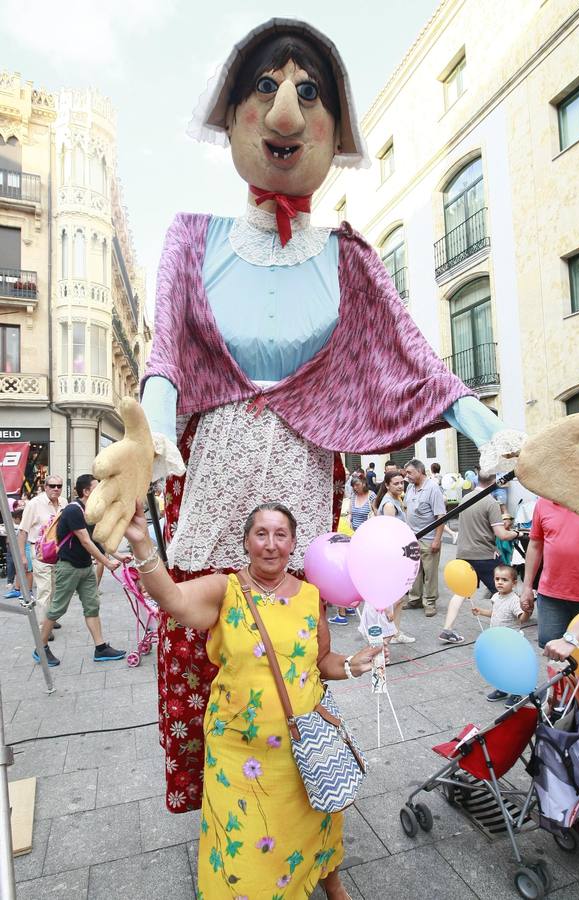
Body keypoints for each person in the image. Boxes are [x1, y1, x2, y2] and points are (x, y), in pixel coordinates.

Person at [89, 18, 526, 811]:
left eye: (308, 91)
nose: (286, 112)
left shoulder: (351, 255)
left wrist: (498, 437)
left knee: (290, 641)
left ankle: (297, 808)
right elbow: (166, 360)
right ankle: (218, 808)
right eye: (266, 87)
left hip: (300, 468)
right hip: (210, 464)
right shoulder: (193, 237)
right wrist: (145, 439)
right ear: (235, 111)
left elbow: (417, 361)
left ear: (333, 123)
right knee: (199, 639)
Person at [126, 500, 384, 899]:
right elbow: (172, 599)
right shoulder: (224, 589)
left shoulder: (311, 596)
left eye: (280, 534)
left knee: (315, 824)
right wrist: (142, 543)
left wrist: (352, 664)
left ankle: (329, 879)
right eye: (261, 534)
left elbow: (321, 661)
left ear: (293, 543)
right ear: (246, 541)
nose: (270, 544)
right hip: (237, 754)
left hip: (302, 748)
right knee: (244, 851)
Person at [32, 475, 128, 668]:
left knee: (92, 606)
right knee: (58, 607)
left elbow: (97, 538)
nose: (101, 492)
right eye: (97, 488)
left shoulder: (89, 512)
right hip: (68, 567)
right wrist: (106, 563)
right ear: (86, 491)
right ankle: (40, 648)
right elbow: (85, 540)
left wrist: (117, 556)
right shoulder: (73, 511)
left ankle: (100, 648)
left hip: (85, 567)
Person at [439, 471, 519, 644]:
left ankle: (447, 629)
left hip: (463, 553)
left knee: (461, 591)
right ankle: (504, 628)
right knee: (502, 591)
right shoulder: (490, 502)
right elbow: (501, 534)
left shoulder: (466, 498)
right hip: (484, 555)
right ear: (493, 482)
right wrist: (516, 533)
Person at [520, 499, 579, 647]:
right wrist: (526, 587)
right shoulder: (544, 502)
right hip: (551, 598)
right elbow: (535, 545)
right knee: (553, 652)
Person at [472, 564, 530, 707]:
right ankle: (503, 689)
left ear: (514, 583)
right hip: (497, 639)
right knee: (500, 666)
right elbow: (496, 613)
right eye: (497, 579)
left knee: (512, 667)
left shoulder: (514, 600)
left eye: (504, 580)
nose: (499, 582)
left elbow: (521, 618)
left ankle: (517, 692)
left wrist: (527, 611)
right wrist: (481, 611)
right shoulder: (495, 597)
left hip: (511, 641)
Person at [16, 475, 67, 622]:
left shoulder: (64, 502)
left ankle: (50, 620)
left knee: (55, 589)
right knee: (45, 590)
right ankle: (44, 627)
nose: (56, 489)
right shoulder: (34, 504)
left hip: (58, 552)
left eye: (59, 486)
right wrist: (22, 556)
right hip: (39, 552)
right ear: (45, 487)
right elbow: (23, 531)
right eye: (52, 486)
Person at [373, 470, 415, 644]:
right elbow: (391, 533)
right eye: (396, 483)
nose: (400, 485)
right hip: (395, 555)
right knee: (396, 597)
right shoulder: (389, 504)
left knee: (401, 596)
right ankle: (388, 636)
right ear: (387, 485)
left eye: (401, 482)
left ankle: (395, 632)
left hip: (401, 552)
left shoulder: (396, 500)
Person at [329, 476, 374, 626]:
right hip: (350, 538)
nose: (355, 487)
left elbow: (376, 516)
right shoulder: (351, 498)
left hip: (363, 540)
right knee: (350, 575)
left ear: (364, 484)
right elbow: (350, 516)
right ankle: (348, 606)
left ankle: (343, 611)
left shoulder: (371, 496)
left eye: (358, 484)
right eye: (353, 485)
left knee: (344, 576)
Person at [404, 459, 446, 617]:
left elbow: (441, 516)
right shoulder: (410, 488)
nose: (407, 476)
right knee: (414, 571)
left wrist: (437, 540)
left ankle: (429, 602)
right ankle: (414, 599)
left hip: (428, 538)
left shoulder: (433, 488)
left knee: (430, 573)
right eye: (406, 473)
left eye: (410, 473)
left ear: (420, 471)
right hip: (412, 538)